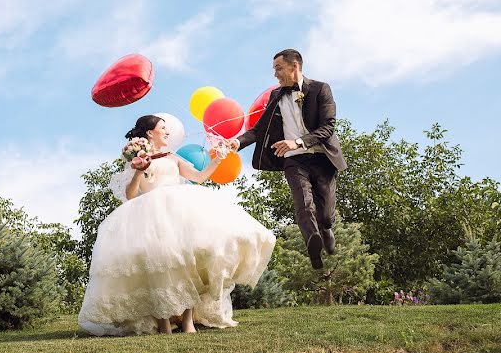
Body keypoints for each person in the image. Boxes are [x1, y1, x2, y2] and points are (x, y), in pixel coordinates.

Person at [78, 115, 275, 335]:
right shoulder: (137, 158)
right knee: (158, 266)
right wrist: (138, 170)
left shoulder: (173, 157)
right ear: (150, 133)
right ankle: (163, 323)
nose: (168, 132)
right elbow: (131, 195)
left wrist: (217, 160)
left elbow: (199, 177)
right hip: (149, 214)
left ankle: (188, 320)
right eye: (163, 128)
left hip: (179, 212)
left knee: (186, 261)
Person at [229, 49, 347, 269]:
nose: (275, 74)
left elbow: (328, 127)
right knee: (303, 204)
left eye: (278, 68)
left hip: (322, 156)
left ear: (295, 66)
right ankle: (313, 243)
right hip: (294, 160)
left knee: (326, 214)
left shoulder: (321, 89)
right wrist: (237, 142)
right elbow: (259, 129)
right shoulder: (276, 96)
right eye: (274, 69)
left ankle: (326, 228)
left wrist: (299, 141)